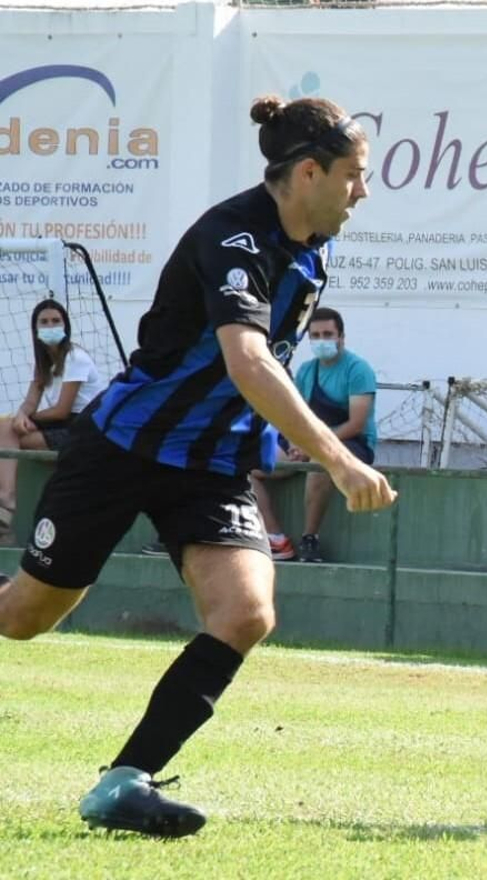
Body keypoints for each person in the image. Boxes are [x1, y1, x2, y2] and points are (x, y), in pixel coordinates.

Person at [0, 94, 396, 838]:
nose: (363, 192)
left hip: (210, 464)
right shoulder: (232, 236)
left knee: (247, 613)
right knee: (22, 619)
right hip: (123, 448)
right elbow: (248, 362)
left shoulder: (314, 247)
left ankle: (126, 781)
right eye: (355, 175)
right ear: (309, 171)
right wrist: (337, 458)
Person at [249, 307, 377, 562]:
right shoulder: (307, 371)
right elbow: (295, 416)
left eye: (328, 334)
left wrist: (313, 447)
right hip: (308, 442)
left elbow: (356, 424)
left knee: (321, 463)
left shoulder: (358, 370)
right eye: (315, 335)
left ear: (342, 337)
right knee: (247, 463)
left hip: (351, 444)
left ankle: (310, 539)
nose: (322, 340)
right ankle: (275, 538)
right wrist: (297, 444)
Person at [0, 299, 109, 531]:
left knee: (13, 435)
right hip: (62, 424)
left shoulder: (75, 357)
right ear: (36, 329)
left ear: (66, 326)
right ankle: (6, 501)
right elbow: (31, 400)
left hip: (84, 426)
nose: (50, 326)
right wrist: (21, 415)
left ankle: (8, 503)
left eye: (56, 321)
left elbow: (62, 409)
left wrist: (29, 419)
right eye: (44, 322)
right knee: (6, 427)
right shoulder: (44, 362)